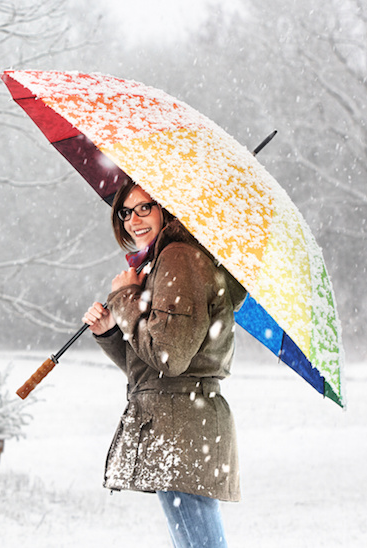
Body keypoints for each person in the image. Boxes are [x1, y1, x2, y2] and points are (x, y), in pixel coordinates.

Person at [83, 180, 247, 548]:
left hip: (182, 424)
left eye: (145, 207)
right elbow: (151, 372)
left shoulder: (179, 257)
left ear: (167, 208)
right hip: (178, 418)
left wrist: (126, 298)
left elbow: (168, 360)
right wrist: (111, 331)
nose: (133, 219)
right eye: (127, 211)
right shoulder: (167, 260)